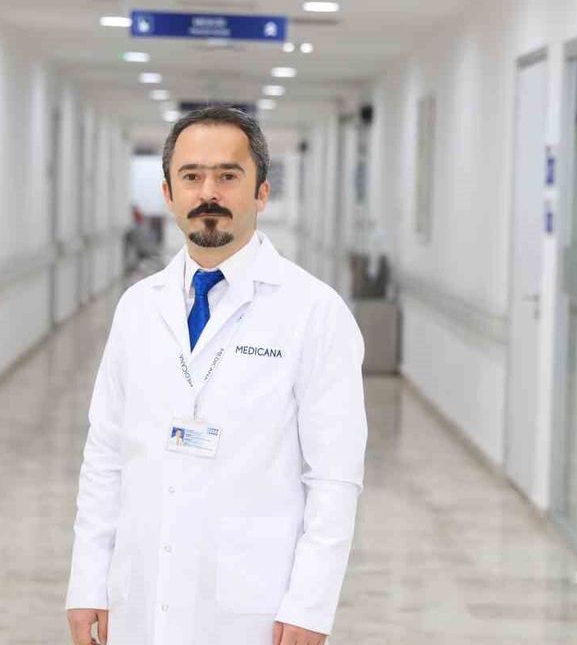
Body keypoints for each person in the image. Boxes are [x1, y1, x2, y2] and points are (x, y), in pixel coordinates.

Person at [65, 106, 368, 645]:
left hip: (253, 606)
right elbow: (105, 454)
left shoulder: (314, 313)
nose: (209, 192)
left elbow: (334, 477)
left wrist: (311, 605)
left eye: (228, 176)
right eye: (192, 176)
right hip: (142, 596)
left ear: (261, 192)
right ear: (168, 193)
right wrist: (88, 581)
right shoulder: (138, 306)